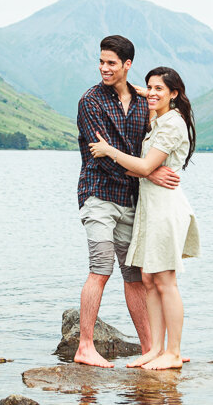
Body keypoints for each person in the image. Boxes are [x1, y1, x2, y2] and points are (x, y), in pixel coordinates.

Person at [75, 37, 180, 368]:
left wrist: (147, 172)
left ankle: (152, 348)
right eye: (101, 62)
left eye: (111, 63)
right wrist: (149, 174)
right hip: (99, 194)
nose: (105, 68)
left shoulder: (140, 102)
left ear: (127, 65)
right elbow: (102, 156)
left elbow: (152, 141)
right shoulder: (91, 102)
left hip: (130, 199)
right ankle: (85, 346)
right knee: (101, 267)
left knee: (135, 275)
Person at [89, 66, 199, 370]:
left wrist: (110, 151)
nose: (151, 93)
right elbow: (143, 168)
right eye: (148, 87)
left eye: (159, 89)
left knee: (165, 280)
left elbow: (142, 165)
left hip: (165, 209)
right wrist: (143, 91)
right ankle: (155, 349)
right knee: (149, 279)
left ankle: (173, 353)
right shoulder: (158, 118)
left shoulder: (172, 124)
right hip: (149, 207)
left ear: (174, 94)